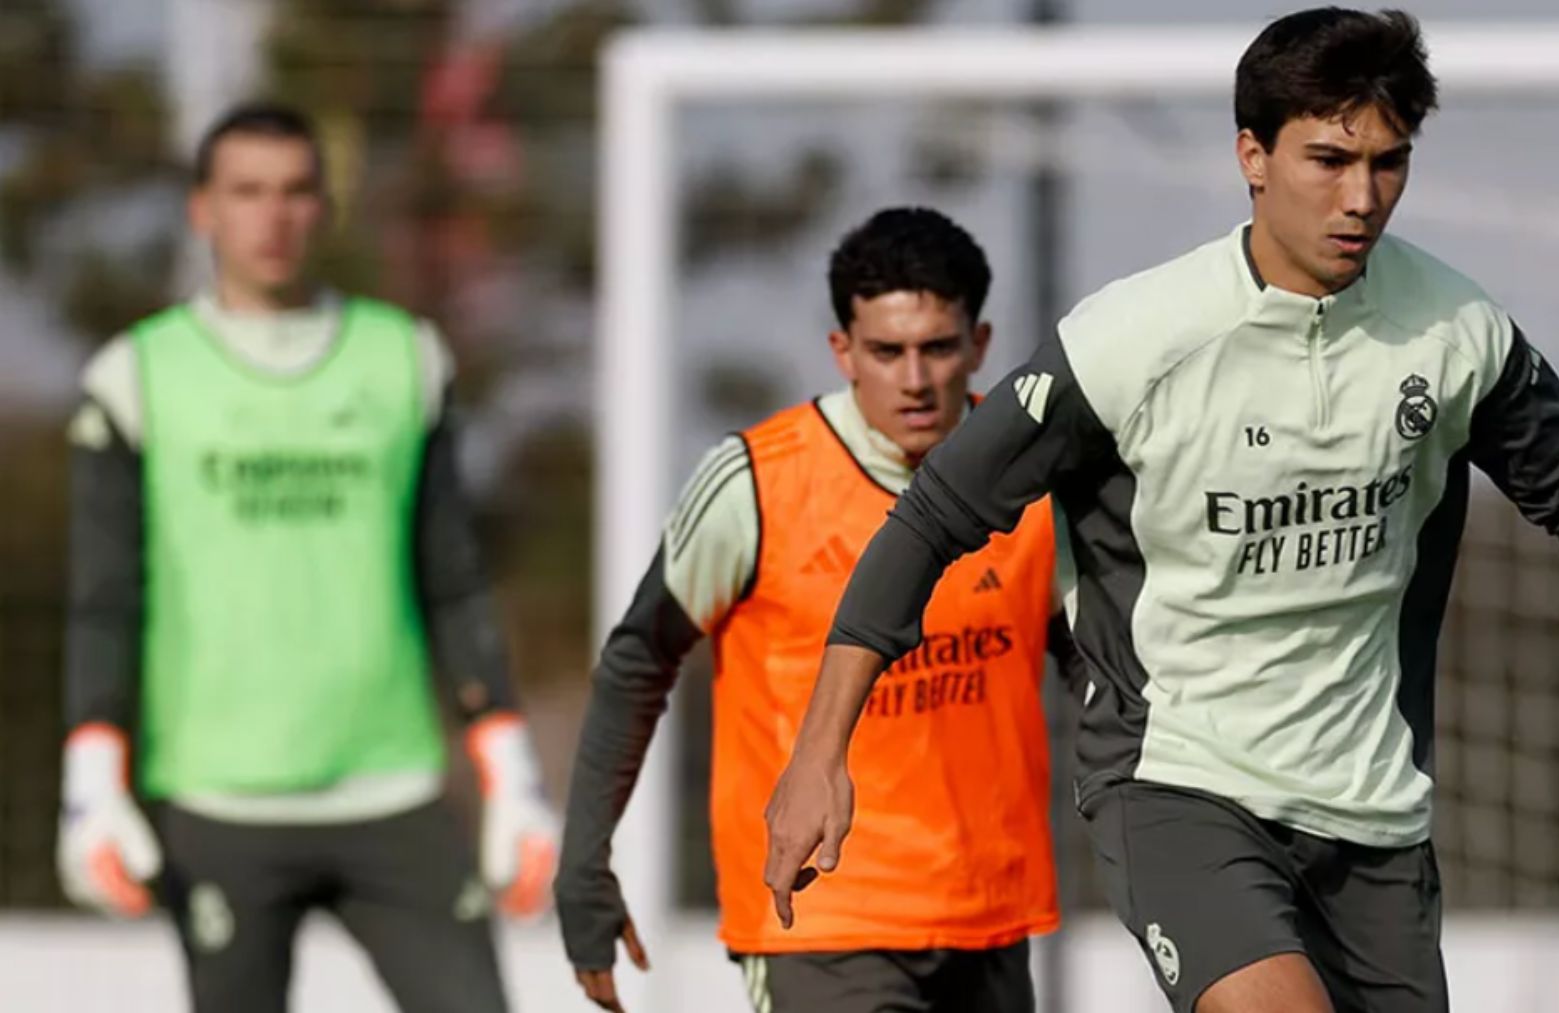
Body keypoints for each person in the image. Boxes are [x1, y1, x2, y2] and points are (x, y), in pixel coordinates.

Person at [763, 10, 1559, 1013]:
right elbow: (933, 516)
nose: (1363, 197)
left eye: (1388, 163)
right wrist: (820, 753)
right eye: (1329, 160)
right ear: (1252, 155)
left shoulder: (1456, 329)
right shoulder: (1135, 340)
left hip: (1372, 806)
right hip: (1176, 778)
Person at [56, 102, 559, 1013]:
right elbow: (105, 598)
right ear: (201, 209)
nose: (272, 216)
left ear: (325, 208)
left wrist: (513, 778)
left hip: (393, 790)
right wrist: (92, 780)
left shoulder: (402, 359)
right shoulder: (135, 377)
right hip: (216, 798)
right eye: (246, 192)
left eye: (294, 192)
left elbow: (452, 579)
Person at [555, 207, 1083, 1013]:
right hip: (820, 922)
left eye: (938, 348)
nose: (914, 379)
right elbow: (636, 661)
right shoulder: (756, 482)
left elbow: (1106, 674)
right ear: (843, 351)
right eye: (886, 351)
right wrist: (583, 866)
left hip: (991, 916)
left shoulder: (1032, 485)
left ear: (979, 345)